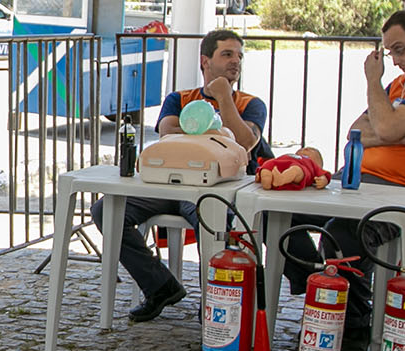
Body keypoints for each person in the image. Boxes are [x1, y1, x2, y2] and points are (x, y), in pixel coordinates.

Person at [284, 10, 405, 351]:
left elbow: (382, 128)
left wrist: (374, 81)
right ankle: (319, 283)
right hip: (362, 182)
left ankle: (354, 325)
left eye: (398, 50)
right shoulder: (402, 86)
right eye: (389, 53)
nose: (395, 61)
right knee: (281, 211)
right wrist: (402, 134)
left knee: (342, 233)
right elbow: (356, 131)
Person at [92, 28, 271, 324]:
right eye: (227, 54)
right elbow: (167, 133)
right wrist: (219, 136)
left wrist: (224, 98)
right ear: (205, 61)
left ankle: (213, 302)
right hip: (167, 185)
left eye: (239, 56)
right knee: (105, 210)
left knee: (211, 218)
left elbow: (244, 142)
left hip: (211, 191)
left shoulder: (251, 104)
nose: (235, 61)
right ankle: (160, 286)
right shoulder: (180, 98)